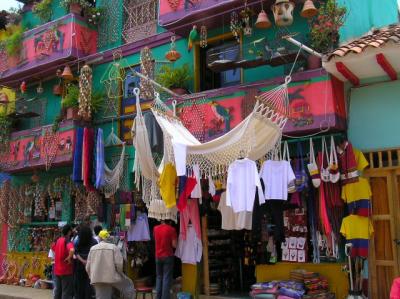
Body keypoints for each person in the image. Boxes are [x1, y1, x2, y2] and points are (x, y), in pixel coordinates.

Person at [86, 230, 135, 299]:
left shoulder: (92, 248)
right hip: (112, 277)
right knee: (129, 286)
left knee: (102, 297)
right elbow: (119, 264)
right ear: (108, 238)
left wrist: (91, 276)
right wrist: (120, 274)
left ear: (99, 238)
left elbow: (88, 267)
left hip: (97, 278)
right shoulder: (113, 247)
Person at [154, 220, 177, 299]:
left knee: (159, 277)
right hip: (168, 256)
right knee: (166, 278)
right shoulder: (171, 229)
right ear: (170, 220)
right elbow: (174, 245)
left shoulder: (155, 228)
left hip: (158, 256)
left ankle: (158, 297)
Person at [74, 225, 97, 299]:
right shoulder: (94, 241)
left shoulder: (78, 240)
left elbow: (76, 252)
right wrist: (88, 261)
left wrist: (83, 261)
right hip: (90, 265)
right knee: (89, 283)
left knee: (80, 284)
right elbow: (95, 253)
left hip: (80, 265)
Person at [52, 224, 75, 299]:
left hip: (57, 270)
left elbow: (53, 248)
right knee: (66, 292)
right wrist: (69, 257)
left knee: (58, 291)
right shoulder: (67, 240)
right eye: (71, 231)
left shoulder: (58, 240)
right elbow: (72, 250)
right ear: (69, 232)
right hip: (66, 271)